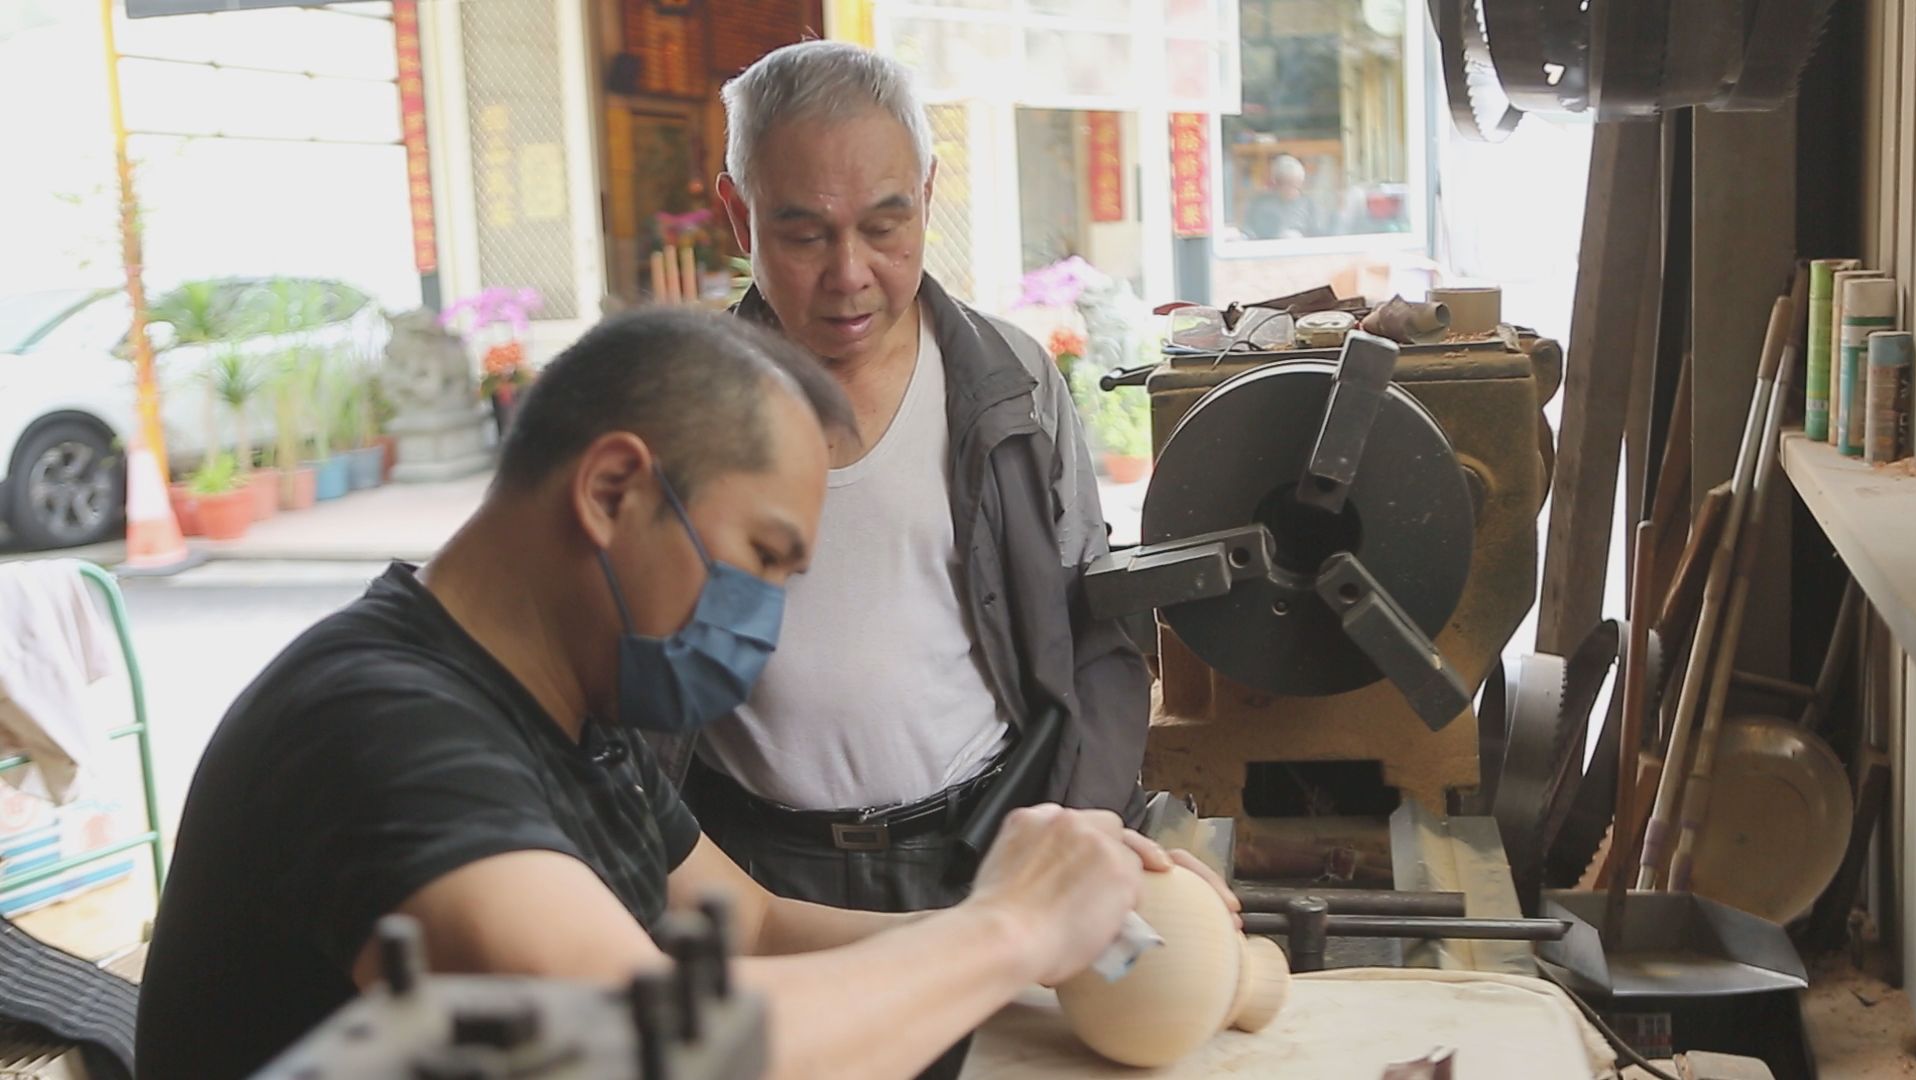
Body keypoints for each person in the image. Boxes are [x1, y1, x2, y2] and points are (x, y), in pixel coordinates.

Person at [133, 310, 1231, 1080]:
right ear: (614, 490)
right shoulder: (372, 729)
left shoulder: (579, 719)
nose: (765, 624)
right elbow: (643, 1047)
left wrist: (1052, 948)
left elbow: (743, 922)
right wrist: (1005, 932)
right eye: (761, 556)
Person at [661, 40, 1151, 922]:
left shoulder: (1011, 386)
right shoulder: (677, 411)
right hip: (743, 872)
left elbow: (1097, 626)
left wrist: (1085, 824)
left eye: (885, 228)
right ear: (739, 215)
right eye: (803, 233)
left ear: (927, 193)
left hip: (978, 852)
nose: (849, 275)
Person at [1244, 153, 1318, 240]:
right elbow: (1250, 233)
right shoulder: (1261, 205)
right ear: (1276, 184)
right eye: (1290, 185)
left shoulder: (1308, 204)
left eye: (1297, 186)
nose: (1295, 192)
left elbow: (1317, 234)